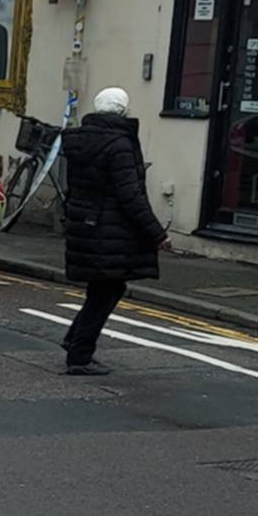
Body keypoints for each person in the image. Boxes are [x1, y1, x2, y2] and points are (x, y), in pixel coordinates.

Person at [58, 86, 169, 376]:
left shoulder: (80, 140)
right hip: (110, 229)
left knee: (103, 287)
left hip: (84, 224)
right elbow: (130, 195)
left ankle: (75, 340)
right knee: (106, 289)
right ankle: (79, 355)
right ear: (123, 110)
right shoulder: (119, 144)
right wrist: (157, 233)